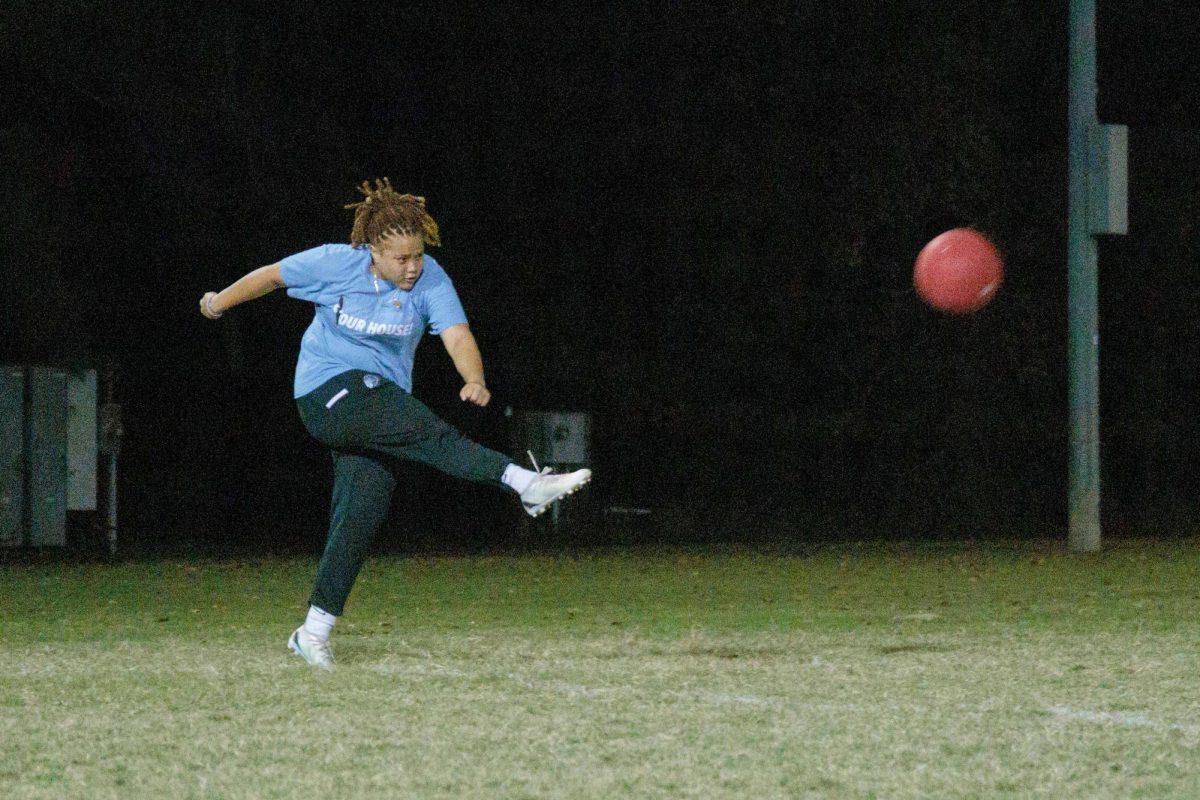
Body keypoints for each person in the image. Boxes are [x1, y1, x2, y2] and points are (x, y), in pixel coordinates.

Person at [199, 178, 591, 669]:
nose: (412, 267)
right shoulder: (335, 264)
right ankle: (523, 482)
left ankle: (312, 632)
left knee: (363, 507)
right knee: (426, 428)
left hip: (378, 406)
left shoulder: (431, 280)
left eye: (418, 256)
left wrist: (474, 377)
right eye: (400, 259)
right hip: (326, 394)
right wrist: (217, 303)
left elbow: (456, 332)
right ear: (371, 252)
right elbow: (272, 276)